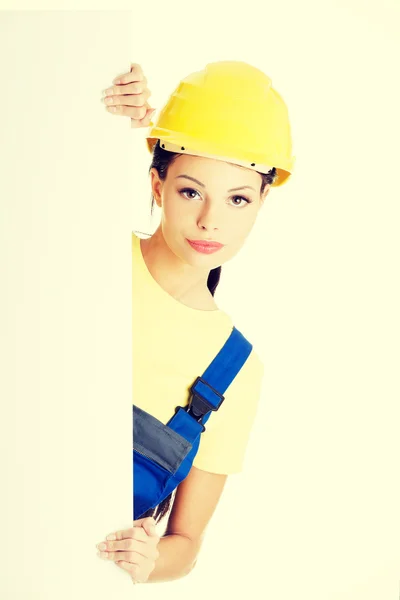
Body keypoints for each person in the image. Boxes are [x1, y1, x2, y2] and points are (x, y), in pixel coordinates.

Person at [95, 61, 295, 585]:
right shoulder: (88, 254)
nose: (211, 220)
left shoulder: (233, 368)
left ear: (260, 202)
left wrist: (150, 560)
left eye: (237, 199)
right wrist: (93, 92)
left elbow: (184, 546)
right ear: (157, 184)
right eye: (191, 191)